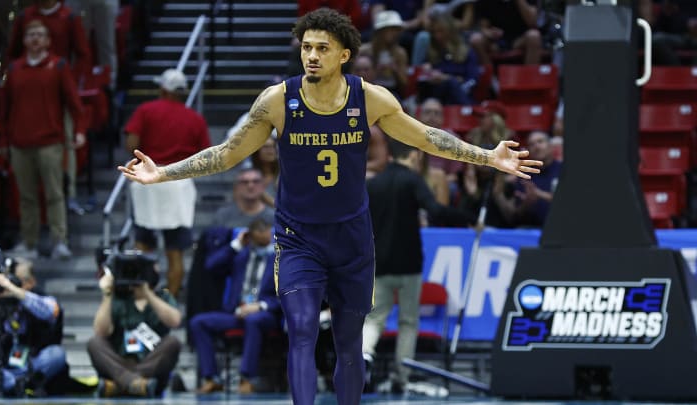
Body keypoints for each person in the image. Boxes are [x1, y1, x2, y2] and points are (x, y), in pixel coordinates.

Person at [118, 9, 541, 404]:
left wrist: (487, 157)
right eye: (306, 47)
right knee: (300, 329)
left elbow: (426, 137)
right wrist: (164, 173)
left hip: (353, 239)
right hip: (298, 237)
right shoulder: (278, 100)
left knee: (349, 343)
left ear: (344, 55)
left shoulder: (369, 98)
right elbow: (228, 153)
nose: (312, 56)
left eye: (322, 48)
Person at [362, 139, 473, 393]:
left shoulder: (372, 185)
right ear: (413, 156)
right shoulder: (412, 181)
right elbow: (435, 210)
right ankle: (402, 376)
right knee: (408, 321)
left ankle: (365, 354)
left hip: (379, 262)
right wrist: (469, 219)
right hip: (409, 263)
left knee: (375, 318)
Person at [2, 19, 85, 260]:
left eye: (40, 34)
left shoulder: (58, 66)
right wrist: (7, 139)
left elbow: (74, 104)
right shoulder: (15, 69)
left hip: (50, 142)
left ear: (48, 40)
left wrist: (79, 131)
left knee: (54, 194)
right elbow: (6, 108)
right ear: (25, 40)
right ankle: (29, 243)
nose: (35, 38)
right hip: (20, 143)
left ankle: (60, 241)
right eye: (31, 34)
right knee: (26, 197)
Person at [124, 68, 211, 296]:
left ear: (163, 89)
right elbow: (206, 155)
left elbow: (131, 143)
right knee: (175, 252)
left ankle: (140, 300)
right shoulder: (195, 118)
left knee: (142, 247)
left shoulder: (146, 110)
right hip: (179, 183)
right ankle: (170, 303)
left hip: (148, 180)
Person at [190, 218, 281, 395]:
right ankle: (212, 378)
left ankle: (247, 378)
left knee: (253, 321)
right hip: (237, 313)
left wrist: (260, 306)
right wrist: (236, 244)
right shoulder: (241, 257)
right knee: (198, 322)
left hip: (266, 315)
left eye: (267, 233)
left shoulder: (280, 258)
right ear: (251, 236)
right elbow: (211, 266)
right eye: (259, 233)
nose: (265, 237)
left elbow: (288, 294)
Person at [87, 256, 182, 398]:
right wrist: (107, 294)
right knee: (94, 343)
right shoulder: (118, 299)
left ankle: (120, 385)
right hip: (119, 361)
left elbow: (175, 321)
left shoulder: (162, 296)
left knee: (173, 342)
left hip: (150, 363)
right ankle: (135, 384)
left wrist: (148, 294)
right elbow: (101, 331)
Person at [0, 258, 67, 397]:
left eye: (18, 281)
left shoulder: (39, 297)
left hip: (30, 362)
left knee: (57, 354)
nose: (10, 285)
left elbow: (50, 311)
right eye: (8, 280)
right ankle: (12, 384)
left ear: (31, 282)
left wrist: (16, 292)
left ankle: (8, 383)